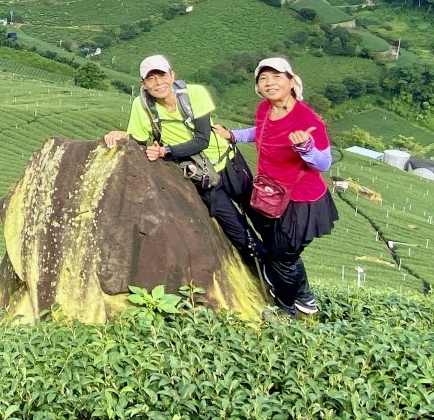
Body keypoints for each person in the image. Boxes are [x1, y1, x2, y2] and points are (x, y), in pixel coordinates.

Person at [104, 54, 265, 267]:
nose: (158, 82)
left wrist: (165, 151)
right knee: (238, 232)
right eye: (151, 79)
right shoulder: (141, 105)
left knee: (262, 219)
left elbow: (202, 140)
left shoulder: (194, 94)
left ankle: (290, 281)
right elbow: (138, 139)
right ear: (143, 84)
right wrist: (122, 136)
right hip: (203, 176)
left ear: (172, 75)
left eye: (162, 75)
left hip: (228, 165)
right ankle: (266, 276)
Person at [214, 57, 338, 318]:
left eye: (276, 77)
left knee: (282, 255)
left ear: (291, 82)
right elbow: (260, 132)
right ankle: (305, 299)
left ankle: (286, 311)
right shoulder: (264, 109)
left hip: (302, 201)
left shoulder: (306, 118)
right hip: (272, 194)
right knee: (284, 251)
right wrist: (234, 135)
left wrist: (306, 148)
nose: (269, 83)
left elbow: (324, 162)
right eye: (263, 78)